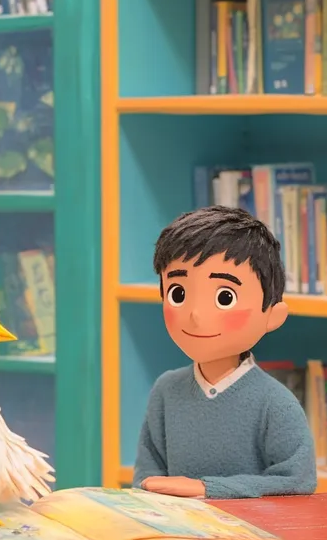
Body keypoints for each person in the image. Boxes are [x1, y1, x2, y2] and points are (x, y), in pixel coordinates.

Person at [132, 205, 317, 500]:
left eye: (224, 297)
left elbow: (298, 480)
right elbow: (146, 477)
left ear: (272, 315)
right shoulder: (166, 390)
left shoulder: (274, 402)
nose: (195, 314)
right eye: (178, 293)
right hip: (176, 535)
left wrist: (207, 489)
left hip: (249, 539)